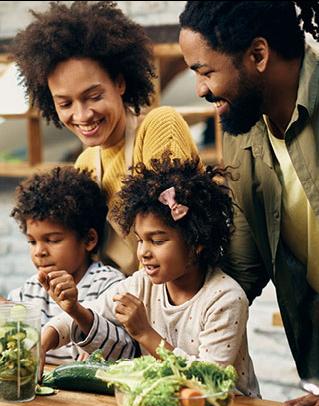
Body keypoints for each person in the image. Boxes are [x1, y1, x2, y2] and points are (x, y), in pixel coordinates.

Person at [179, 0, 319, 406]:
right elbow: (242, 266)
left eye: (206, 71)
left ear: (258, 55)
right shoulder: (243, 131)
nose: (201, 90)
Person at [39, 153, 260, 397]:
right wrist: (43, 342)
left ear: (196, 242)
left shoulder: (225, 298)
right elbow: (92, 310)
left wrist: (145, 333)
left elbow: (208, 381)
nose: (143, 252)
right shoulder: (142, 283)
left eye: (157, 240)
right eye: (140, 240)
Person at [12, 1, 200, 276]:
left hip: (177, 304)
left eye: (94, 96)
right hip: (116, 308)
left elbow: (174, 237)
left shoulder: (160, 126)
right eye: (65, 103)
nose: (82, 115)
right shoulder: (86, 162)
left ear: (120, 83)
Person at [7, 166, 136, 365]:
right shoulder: (30, 290)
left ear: (89, 239)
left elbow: (126, 349)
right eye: (32, 242)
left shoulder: (108, 285)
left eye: (53, 240)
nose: (39, 251)